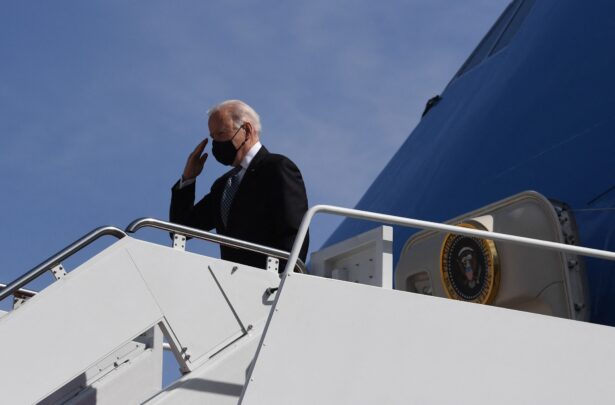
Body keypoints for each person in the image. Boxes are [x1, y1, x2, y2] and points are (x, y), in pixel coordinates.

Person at [170, 99, 309, 271]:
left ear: (247, 130)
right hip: (231, 286)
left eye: (221, 134)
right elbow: (181, 229)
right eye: (213, 137)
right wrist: (188, 178)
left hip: (269, 287)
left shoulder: (277, 168)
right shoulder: (223, 186)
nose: (215, 143)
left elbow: (293, 234)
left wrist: (284, 282)